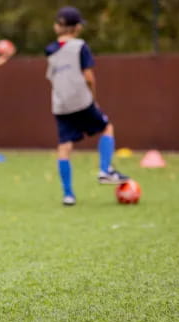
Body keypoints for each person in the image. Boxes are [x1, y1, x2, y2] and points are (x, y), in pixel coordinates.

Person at [45, 6, 129, 206]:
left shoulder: (50, 51)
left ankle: (68, 195)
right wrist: (92, 97)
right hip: (81, 100)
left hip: (60, 104)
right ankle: (105, 169)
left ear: (57, 26)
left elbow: (50, 77)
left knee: (64, 146)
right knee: (107, 127)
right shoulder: (80, 46)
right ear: (77, 28)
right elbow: (89, 77)